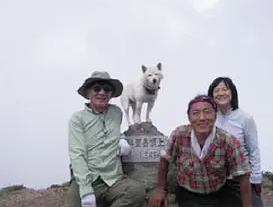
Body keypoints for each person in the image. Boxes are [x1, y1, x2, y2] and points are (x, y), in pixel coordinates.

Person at [148, 95, 252, 207]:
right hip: (188, 194)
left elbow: (243, 174)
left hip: (219, 192)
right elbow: (164, 160)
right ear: (189, 118)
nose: (202, 118)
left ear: (215, 115)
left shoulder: (228, 141)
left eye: (207, 112)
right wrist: (160, 190)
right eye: (195, 113)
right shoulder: (179, 135)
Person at [63, 71, 146, 207]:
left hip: (113, 178)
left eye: (106, 89)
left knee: (136, 191)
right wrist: (86, 191)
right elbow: (77, 154)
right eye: (97, 88)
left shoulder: (116, 113)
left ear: (111, 94)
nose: (102, 92)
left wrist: (121, 139)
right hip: (86, 178)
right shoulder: (77, 119)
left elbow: (114, 132)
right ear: (89, 92)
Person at [208, 77, 263, 207]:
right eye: (217, 90)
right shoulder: (209, 118)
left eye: (225, 89)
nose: (221, 93)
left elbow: (253, 150)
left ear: (232, 92)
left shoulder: (245, 118)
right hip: (216, 179)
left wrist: (256, 178)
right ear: (212, 95)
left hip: (241, 178)